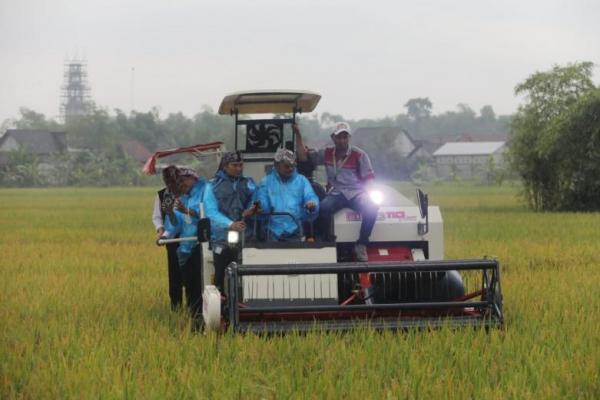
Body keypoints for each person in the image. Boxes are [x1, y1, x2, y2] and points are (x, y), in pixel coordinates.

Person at [295, 122, 378, 261]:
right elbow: (304, 157)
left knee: (372, 207)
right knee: (323, 208)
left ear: (349, 138)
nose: (342, 140)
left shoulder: (359, 155)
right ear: (333, 138)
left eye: (345, 137)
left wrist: (369, 194)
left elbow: (369, 179)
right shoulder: (327, 153)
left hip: (356, 192)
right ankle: (326, 240)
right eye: (339, 137)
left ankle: (362, 243)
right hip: (336, 192)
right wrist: (298, 135)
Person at [203, 151, 258, 292]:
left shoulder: (249, 183)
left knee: (245, 276)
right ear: (225, 166)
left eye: (241, 165)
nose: (239, 168)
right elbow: (211, 211)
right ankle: (221, 304)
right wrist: (230, 224)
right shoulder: (212, 185)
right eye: (235, 165)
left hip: (245, 237)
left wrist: (251, 209)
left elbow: (255, 200)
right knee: (220, 274)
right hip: (221, 238)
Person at [162, 168, 206, 329]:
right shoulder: (182, 198)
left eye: (186, 179)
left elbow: (209, 215)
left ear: (195, 178)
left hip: (203, 244)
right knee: (190, 286)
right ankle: (195, 318)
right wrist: (171, 214)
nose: (183, 182)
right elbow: (174, 225)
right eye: (180, 180)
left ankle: (207, 316)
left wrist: (186, 211)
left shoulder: (206, 192)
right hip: (186, 247)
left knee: (203, 284)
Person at [256, 148, 319, 241]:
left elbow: (310, 196)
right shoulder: (266, 181)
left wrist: (312, 204)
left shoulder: (302, 180)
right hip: (272, 231)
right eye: (286, 166)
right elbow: (260, 200)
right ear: (276, 165)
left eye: (292, 166)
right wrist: (260, 207)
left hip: (295, 229)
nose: (290, 169)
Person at [152, 165, 183, 310]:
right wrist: (160, 230)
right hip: (172, 240)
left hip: (190, 239)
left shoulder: (188, 193)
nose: (170, 183)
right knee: (174, 274)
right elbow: (157, 217)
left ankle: (194, 305)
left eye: (173, 179)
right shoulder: (161, 195)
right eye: (167, 180)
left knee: (192, 274)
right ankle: (176, 307)